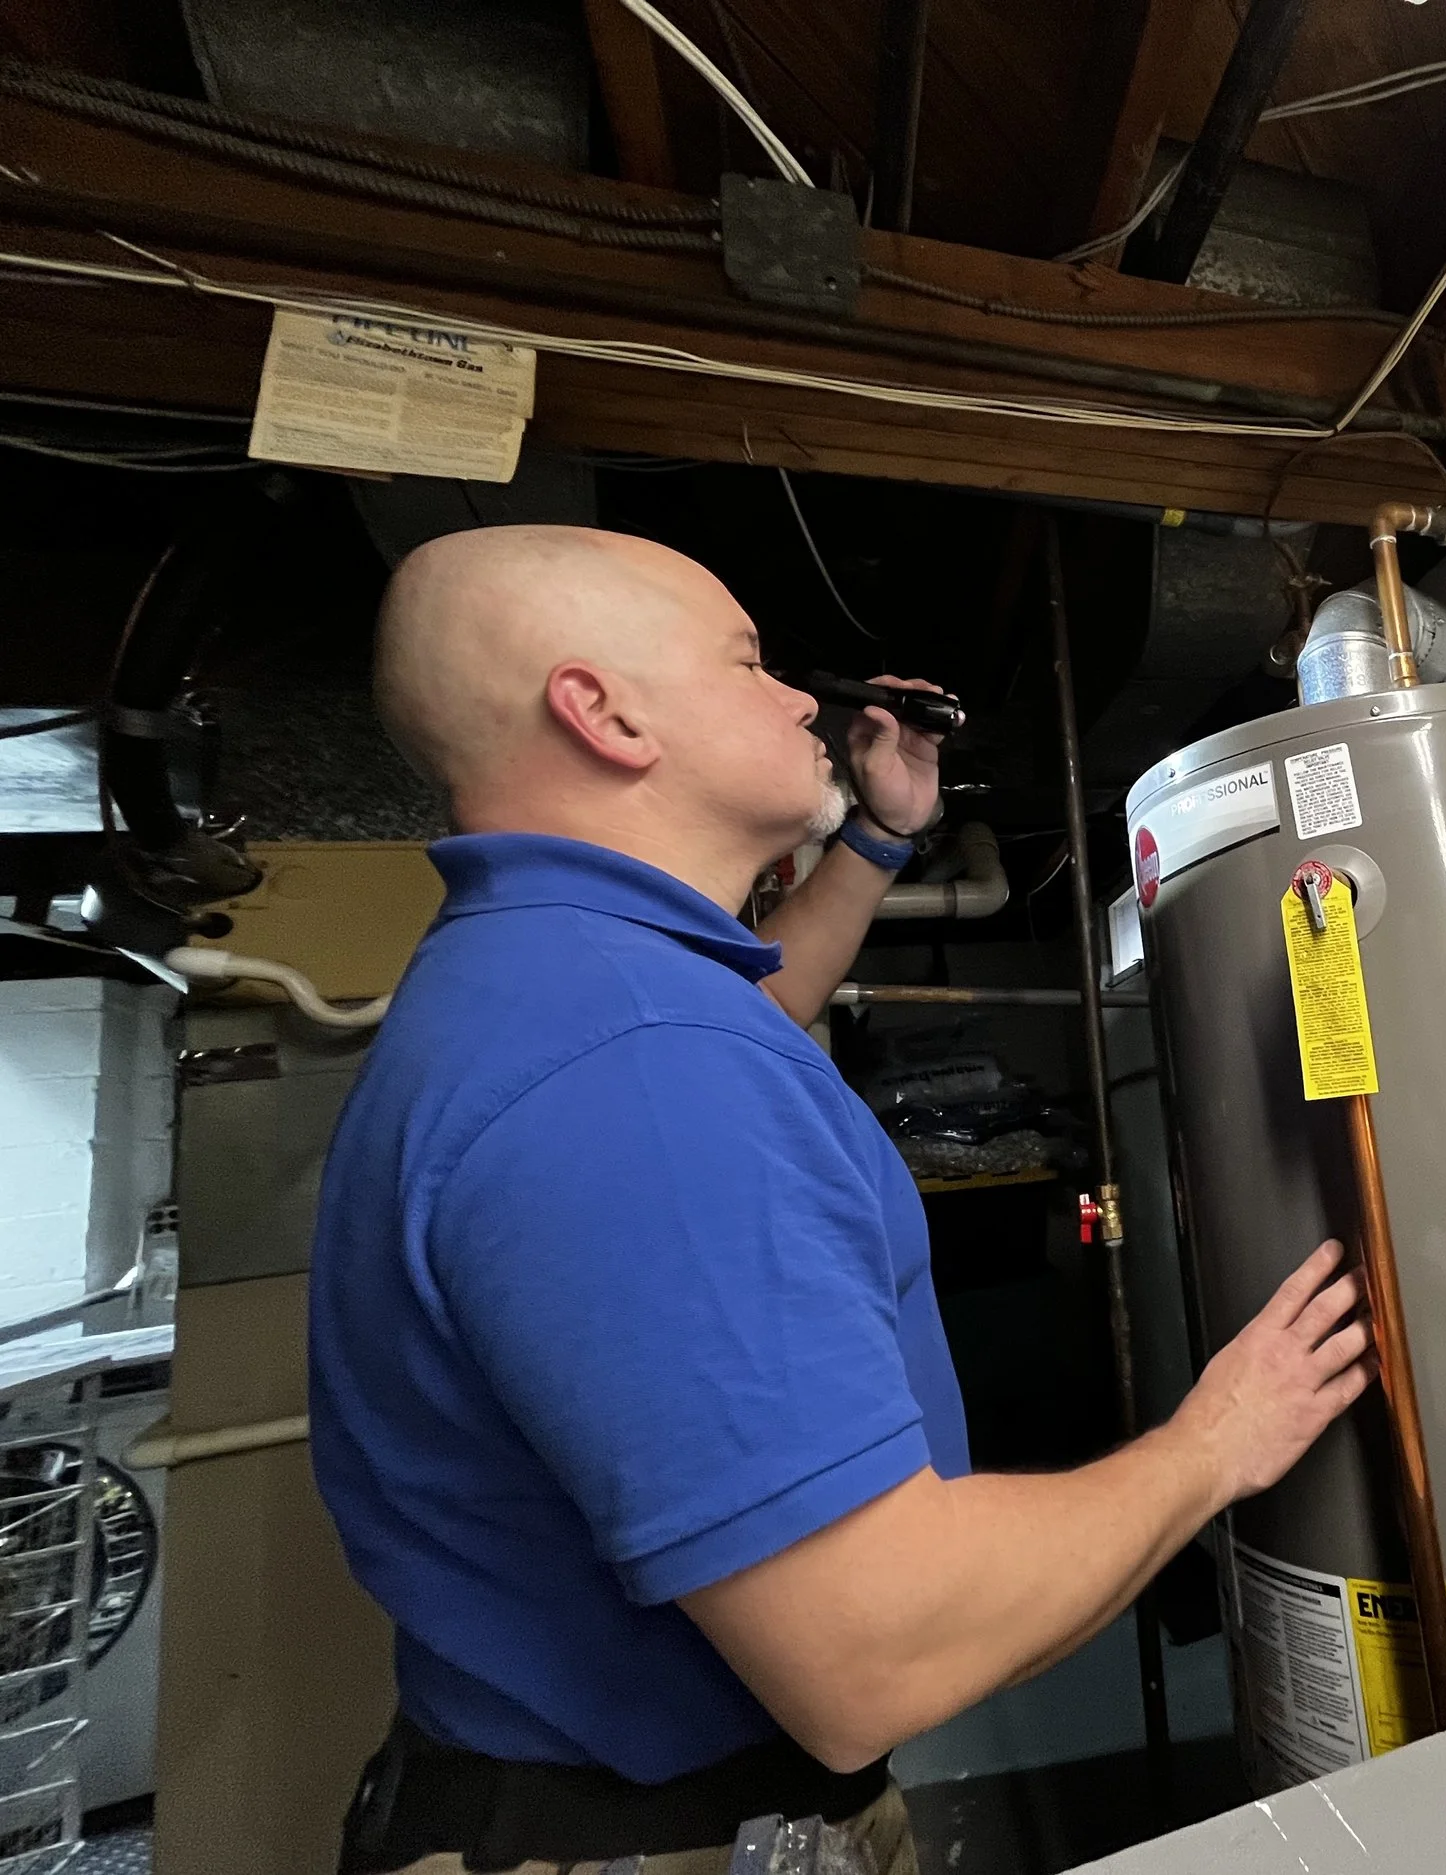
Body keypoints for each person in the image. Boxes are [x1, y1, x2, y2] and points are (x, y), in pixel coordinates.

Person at [309, 525, 1370, 1875]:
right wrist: (1218, 1437)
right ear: (603, 710)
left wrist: (873, 837)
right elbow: (877, 1641)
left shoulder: (554, 985)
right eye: (747, 659)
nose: (800, 696)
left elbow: (751, 1013)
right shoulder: (632, 1071)